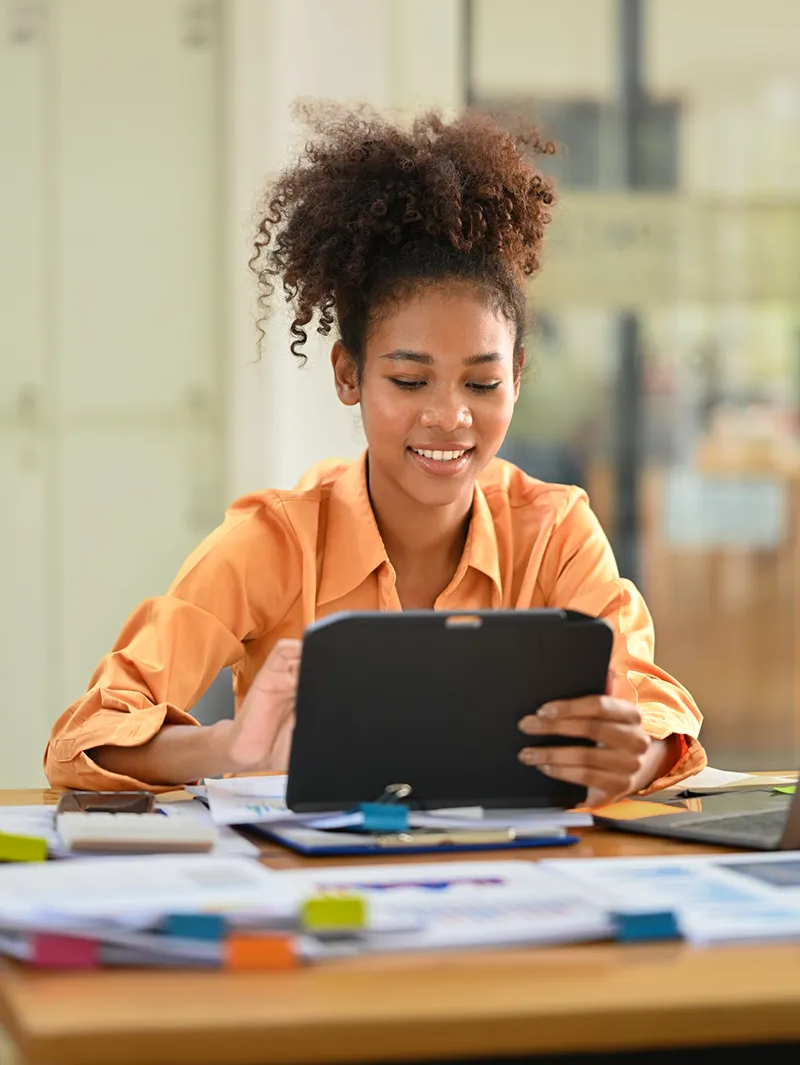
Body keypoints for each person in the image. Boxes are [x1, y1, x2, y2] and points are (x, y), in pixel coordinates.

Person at [45, 105, 705, 804]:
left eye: (481, 382)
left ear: (516, 378)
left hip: (509, 875)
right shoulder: (272, 543)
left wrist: (631, 759)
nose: (450, 416)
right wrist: (232, 747)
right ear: (348, 375)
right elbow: (84, 738)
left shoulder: (555, 532)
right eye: (410, 379)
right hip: (312, 892)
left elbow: (657, 710)